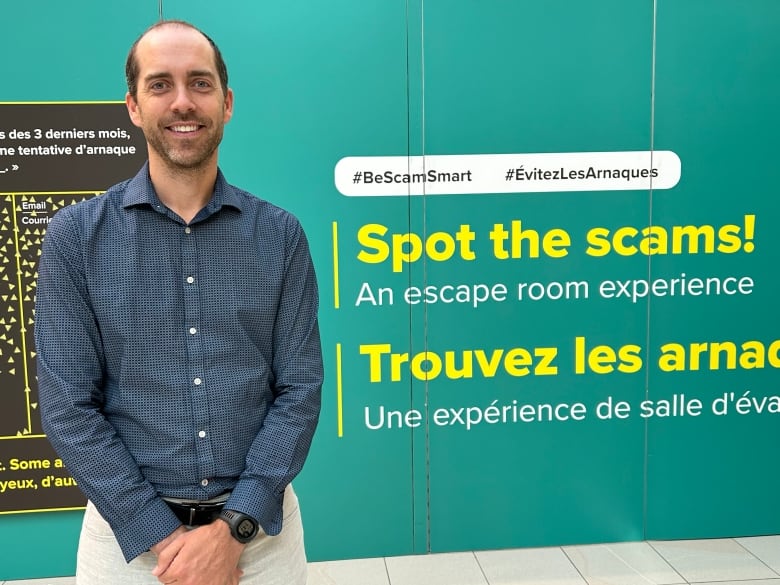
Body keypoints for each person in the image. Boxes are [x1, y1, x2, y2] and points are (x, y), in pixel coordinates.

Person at [34, 19, 323, 585]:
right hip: (129, 547)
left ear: (227, 101)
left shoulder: (280, 236)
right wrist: (165, 539)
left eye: (200, 83)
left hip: (260, 542)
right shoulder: (75, 239)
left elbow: (299, 391)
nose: (183, 102)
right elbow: (70, 406)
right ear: (134, 106)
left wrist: (231, 532)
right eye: (160, 84)